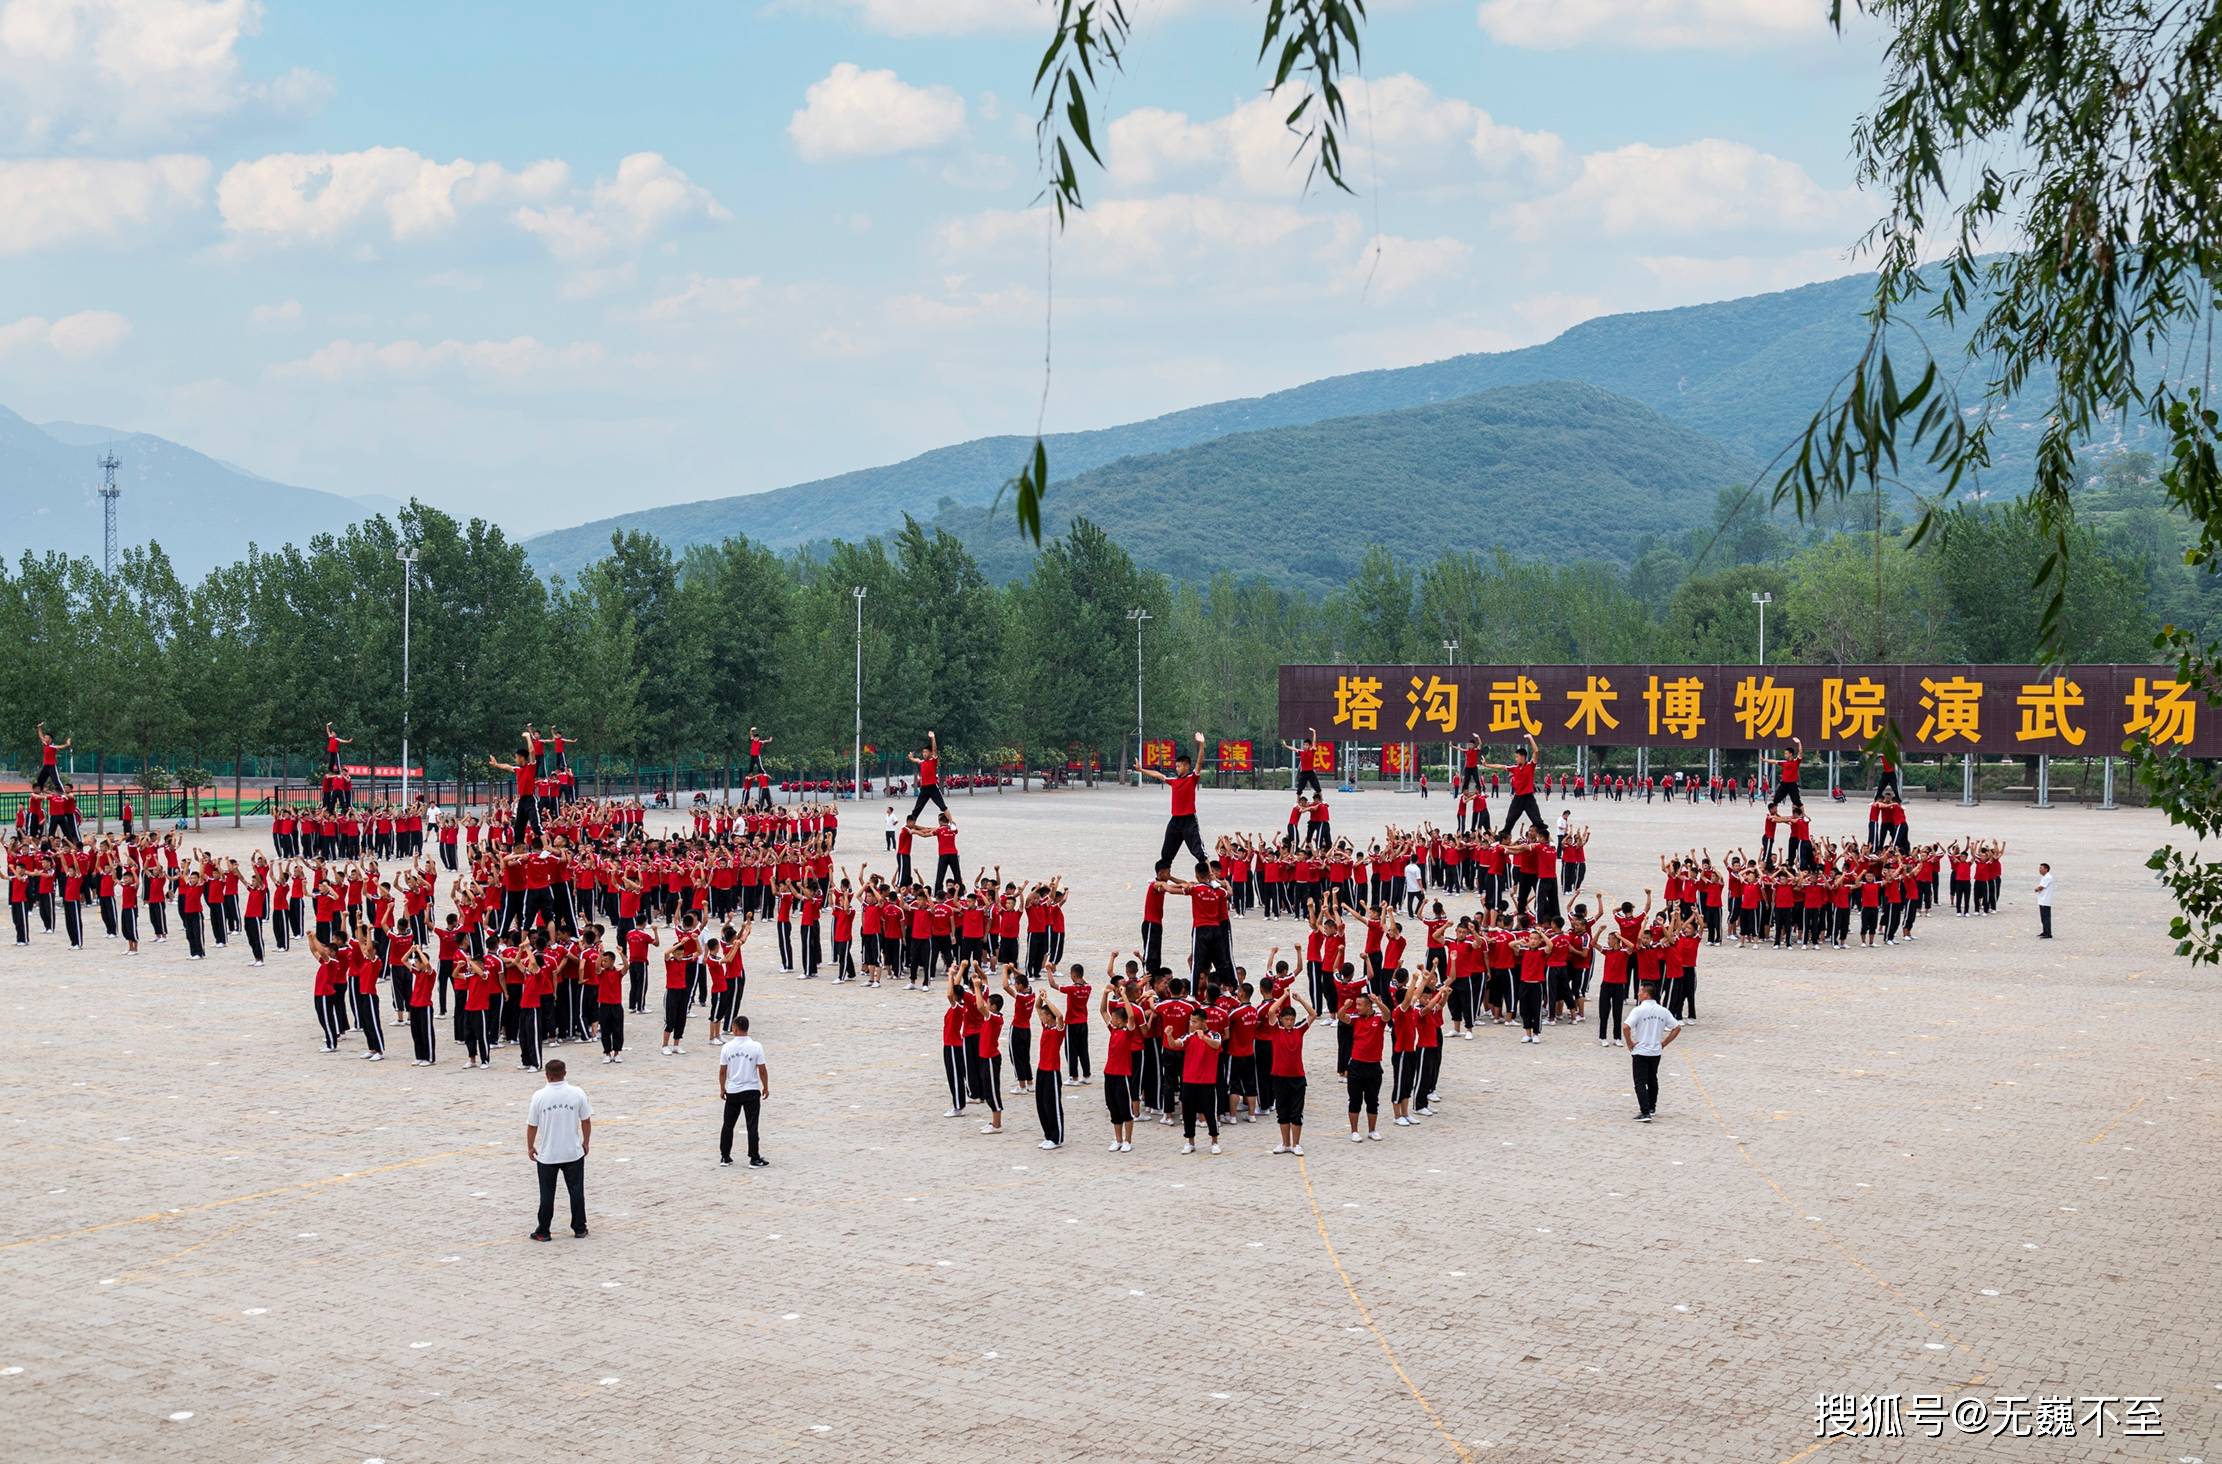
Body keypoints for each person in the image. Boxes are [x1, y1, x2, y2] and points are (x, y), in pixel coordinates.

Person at [525, 1058, 592, 1240]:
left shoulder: (539, 1096)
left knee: (547, 1194)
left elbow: (532, 1125)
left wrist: (530, 1146)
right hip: (572, 1151)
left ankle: (544, 1230)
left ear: (547, 1075)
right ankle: (579, 1227)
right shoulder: (577, 1093)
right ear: (565, 1073)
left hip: (548, 1154)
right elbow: (586, 1120)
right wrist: (586, 1141)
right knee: (576, 1191)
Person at [1139, 731, 1209, 868]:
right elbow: (1158, 775)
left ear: (1187, 766)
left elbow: (1200, 762)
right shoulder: (1174, 781)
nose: (1177, 769)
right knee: (1166, 853)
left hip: (1189, 821)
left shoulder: (1192, 779)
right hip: (1175, 821)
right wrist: (1141, 770)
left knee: (1199, 852)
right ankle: (1163, 876)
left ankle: (1211, 877)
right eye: (1176, 766)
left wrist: (1201, 744)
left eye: (1179, 766)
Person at [1623, 981, 1682, 1122]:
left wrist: (1630, 1043)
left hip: (1641, 1051)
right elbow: (1677, 1027)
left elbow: (1626, 1027)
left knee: (1640, 1082)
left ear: (1646, 994)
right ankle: (1652, 1107)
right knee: (1652, 1079)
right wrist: (1664, 1043)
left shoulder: (1638, 1010)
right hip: (1656, 1051)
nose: (1638, 994)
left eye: (1640, 991)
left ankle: (1645, 1112)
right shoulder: (1663, 1010)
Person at [716, 1015, 771, 1168]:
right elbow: (762, 1069)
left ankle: (725, 1156)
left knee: (728, 1124)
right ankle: (754, 1157)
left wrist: (722, 1087)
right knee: (752, 1125)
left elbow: (722, 1070)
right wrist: (765, 1086)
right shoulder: (756, 1046)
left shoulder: (727, 1047)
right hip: (751, 1089)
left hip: (733, 1090)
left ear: (735, 1028)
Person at [2033, 862, 2053, 938]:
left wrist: (2036, 889)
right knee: (2043, 917)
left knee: (2046, 917)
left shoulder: (2048, 877)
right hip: (2042, 900)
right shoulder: (2044, 877)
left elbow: (2041, 887)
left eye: (2041, 868)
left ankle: (2048, 933)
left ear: (2046, 869)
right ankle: (2045, 931)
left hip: (2046, 900)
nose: (2039, 870)